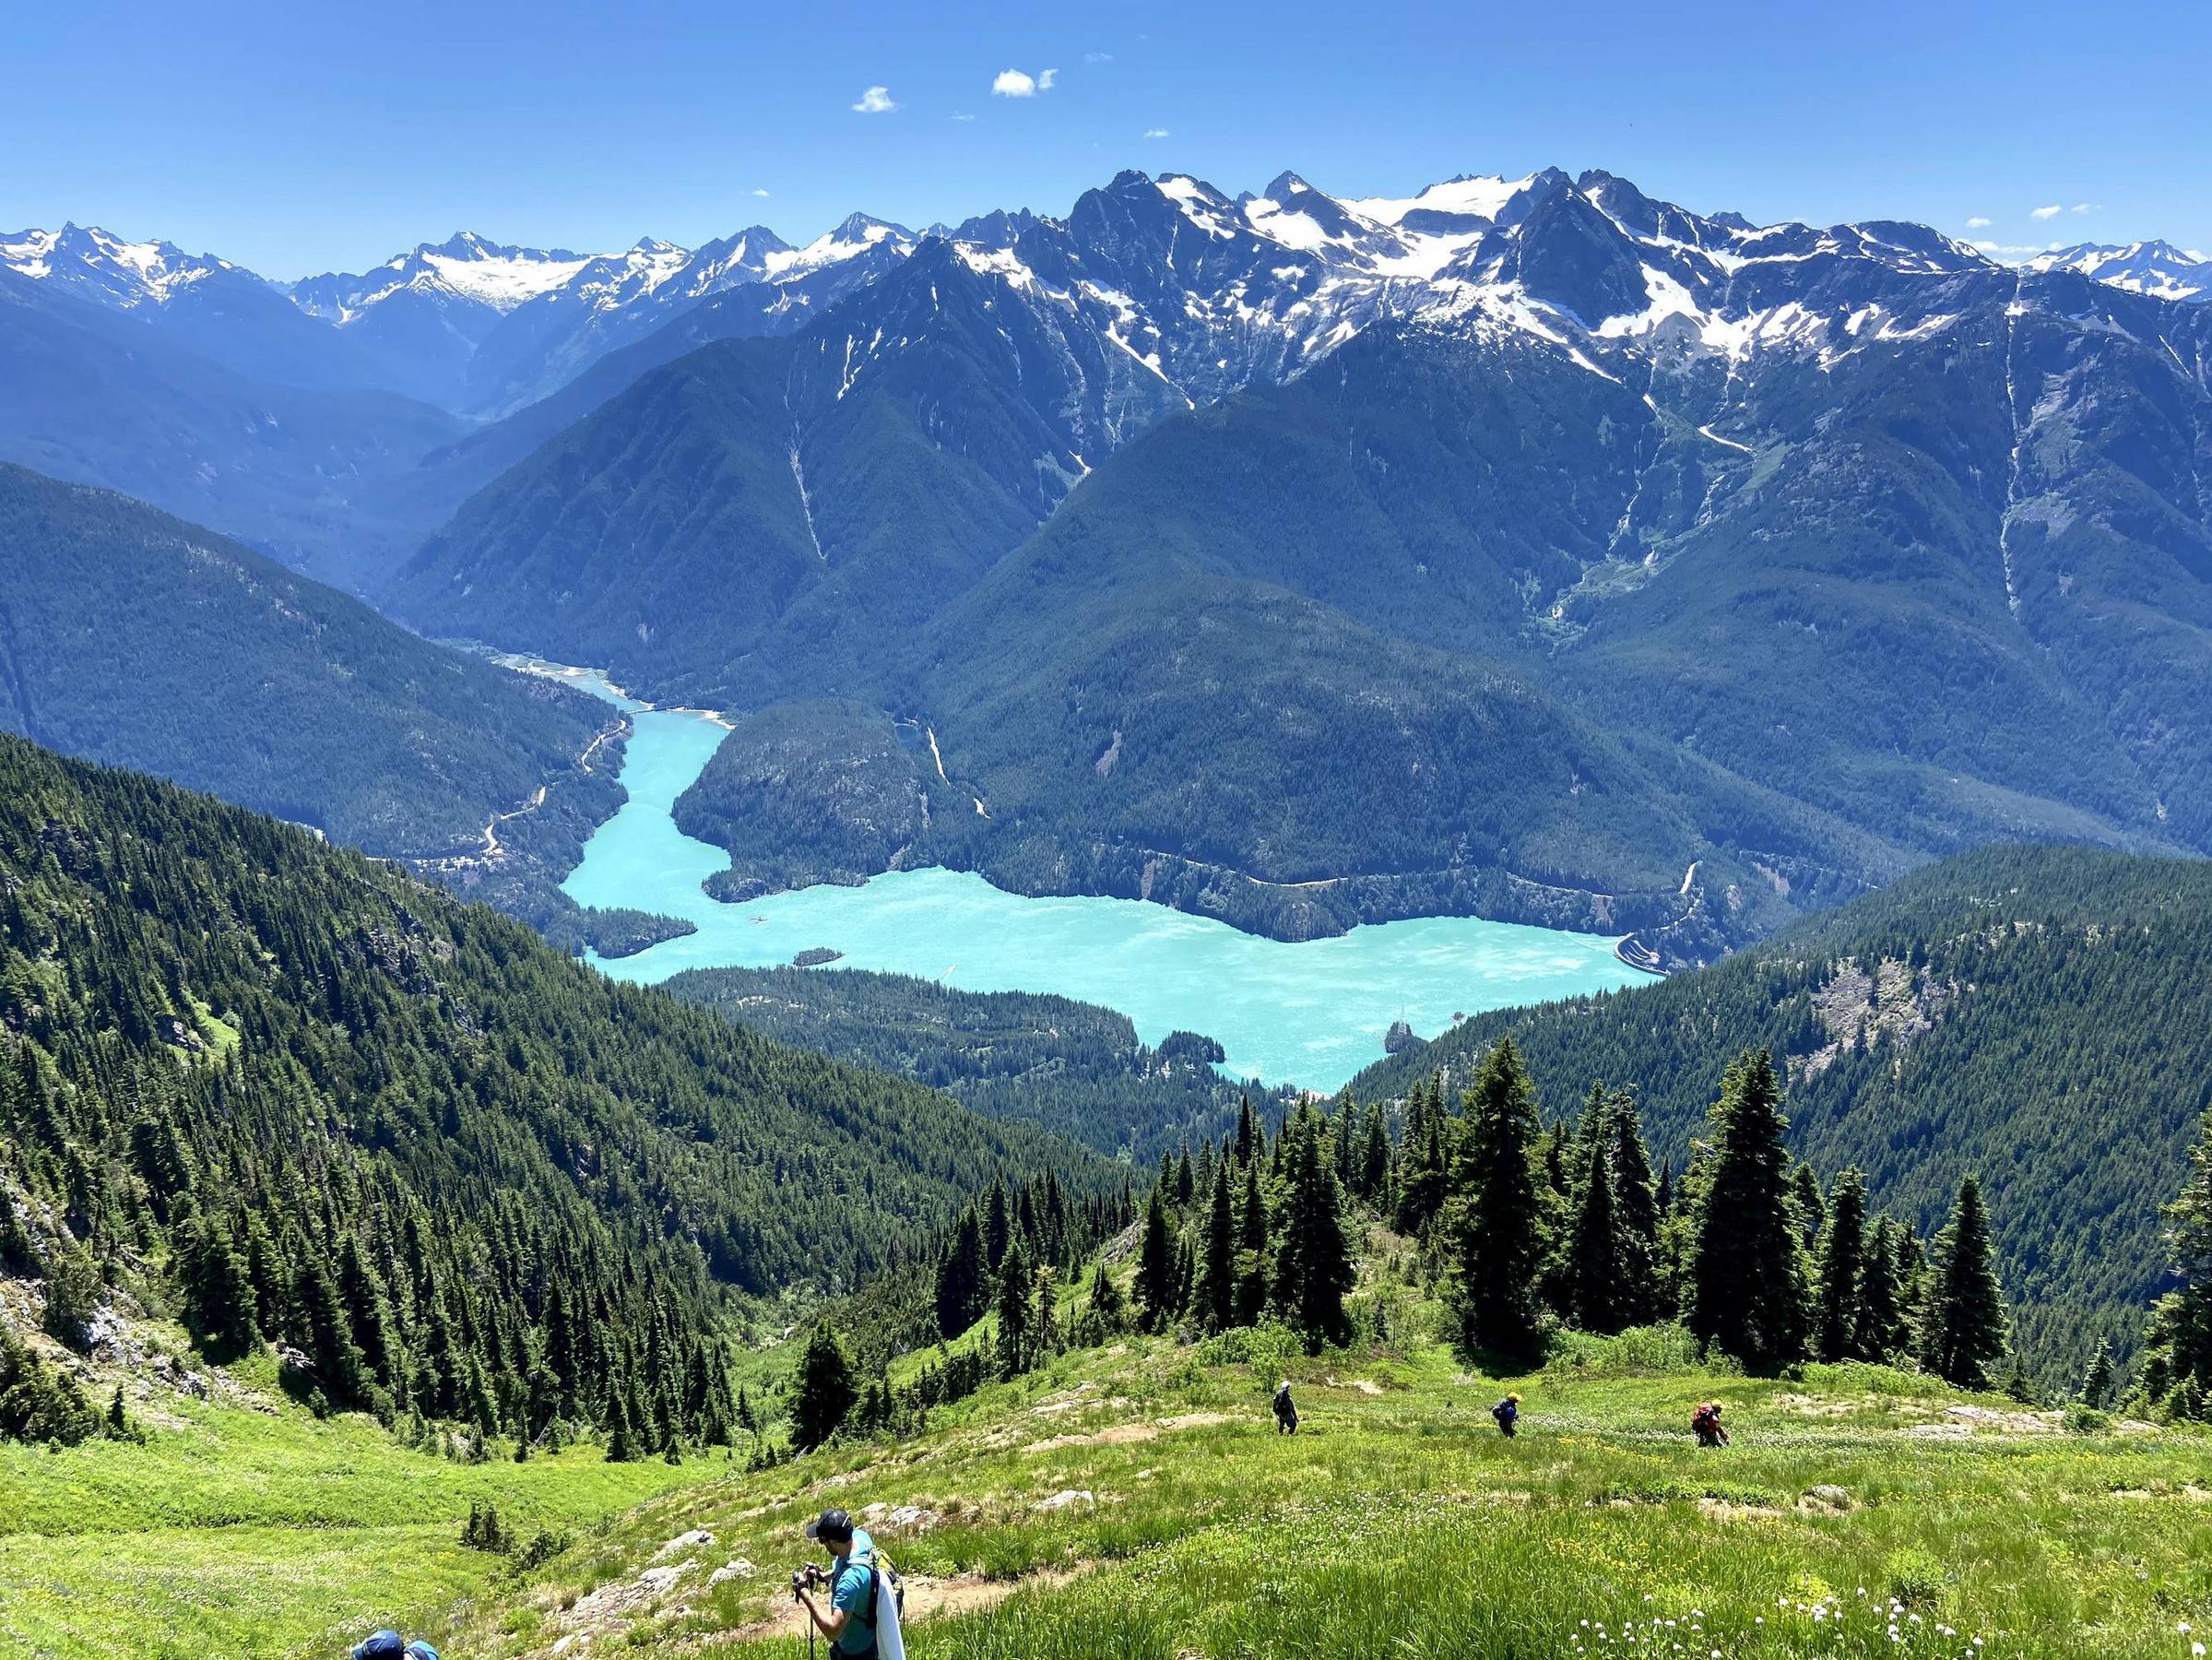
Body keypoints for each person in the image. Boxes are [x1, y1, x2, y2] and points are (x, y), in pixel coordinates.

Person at [796, 1508, 904, 1659]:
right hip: (869, 1636)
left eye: (822, 1540)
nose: (822, 1544)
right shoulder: (860, 1539)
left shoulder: (850, 1581)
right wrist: (823, 1575)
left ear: (833, 1541)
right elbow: (846, 1562)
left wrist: (804, 1592)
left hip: (856, 1650)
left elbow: (833, 1631)